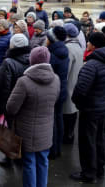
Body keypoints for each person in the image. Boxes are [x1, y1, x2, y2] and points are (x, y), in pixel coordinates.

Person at [6, 46, 60, 187]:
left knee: (29, 162)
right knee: (43, 160)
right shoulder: (56, 79)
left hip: (26, 130)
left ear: (32, 60)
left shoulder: (24, 81)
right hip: (46, 129)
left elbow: (11, 108)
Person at [70, 32, 105, 183]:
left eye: (89, 42)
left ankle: (88, 173)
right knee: (99, 140)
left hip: (90, 110)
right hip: (103, 107)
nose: (87, 44)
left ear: (94, 45)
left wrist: (78, 104)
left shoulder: (91, 65)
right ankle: (99, 169)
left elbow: (80, 90)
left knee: (87, 142)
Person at [0, 33, 31, 167]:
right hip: (26, 101)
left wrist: (1, 107)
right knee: (23, 129)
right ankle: (21, 158)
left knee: (10, 129)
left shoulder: (8, 62)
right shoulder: (30, 58)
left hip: (11, 101)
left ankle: (10, 157)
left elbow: (3, 87)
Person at [46, 26, 69, 159]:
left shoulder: (53, 55)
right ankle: (58, 147)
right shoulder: (63, 50)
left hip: (53, 91)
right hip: (62, 89)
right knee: (58, 119)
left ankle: (53, 150)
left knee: (52, 121)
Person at [62, 23, 83, 144]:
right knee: (72, 109)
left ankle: (68, 135)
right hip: (75, 81)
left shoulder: (68, 48)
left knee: (68, 110)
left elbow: (66, 69)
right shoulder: (77, 46)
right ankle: (70, 134)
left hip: (69, 82)